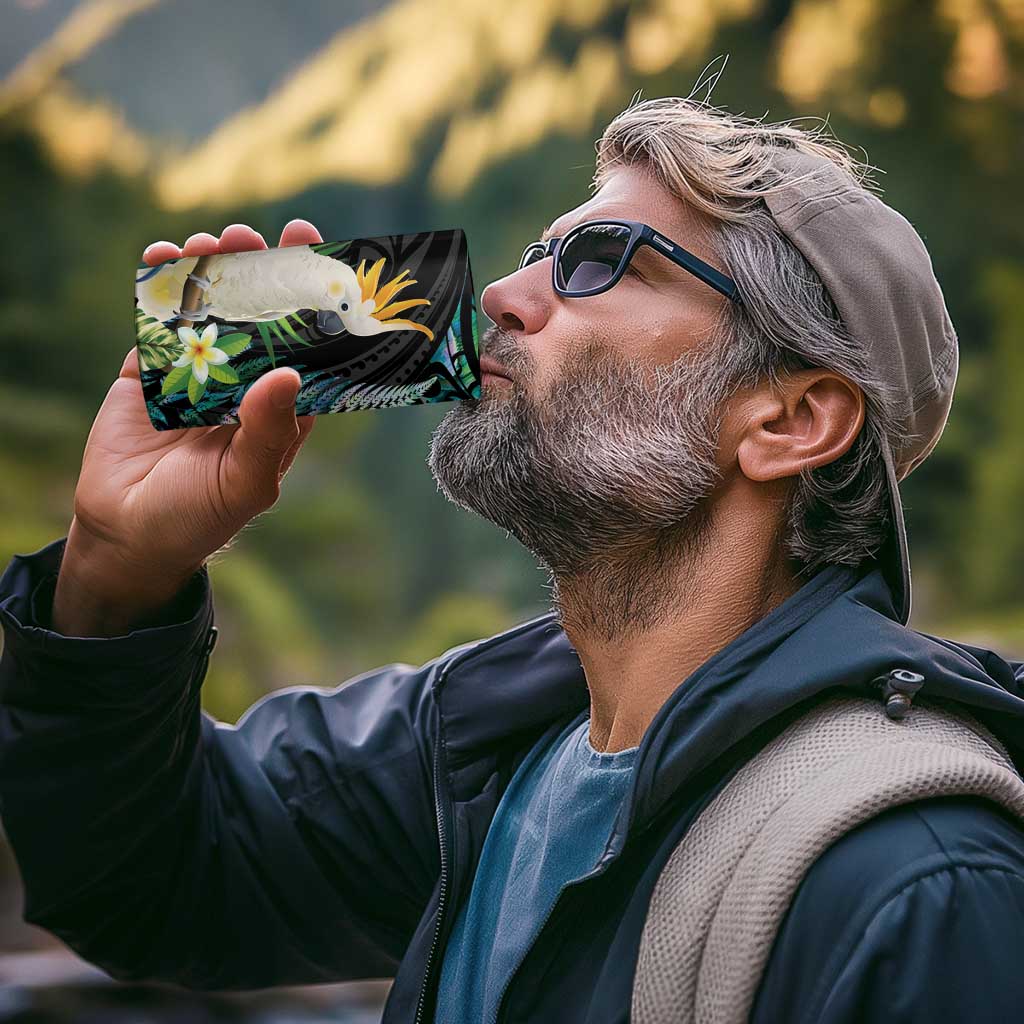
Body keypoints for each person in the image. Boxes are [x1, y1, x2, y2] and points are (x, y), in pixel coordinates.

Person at [2, 95, 1024, 1024]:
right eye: (540, 252)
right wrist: (116, 571)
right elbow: (149, 880)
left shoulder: (918, 883)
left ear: (791, 420)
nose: (500, 292)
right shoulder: (480, 748)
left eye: (599, 262)